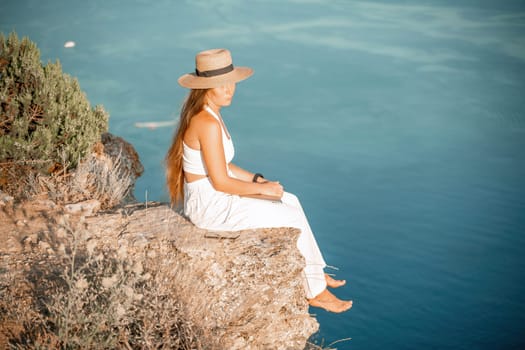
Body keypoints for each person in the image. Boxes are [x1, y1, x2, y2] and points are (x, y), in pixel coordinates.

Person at [165, 48, 352, 313]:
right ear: (206, 87)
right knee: (290, 216)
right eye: (222, 84)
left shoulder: (211, 113)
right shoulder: (205, 122)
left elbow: (224, 165)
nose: (230, 89)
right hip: (211, 206)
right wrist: (263, 191)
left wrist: (257, 179)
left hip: (217, 196)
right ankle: (315, 292)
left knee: (292, 200)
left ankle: (315, 273)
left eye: (232, 82)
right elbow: (220, 181)